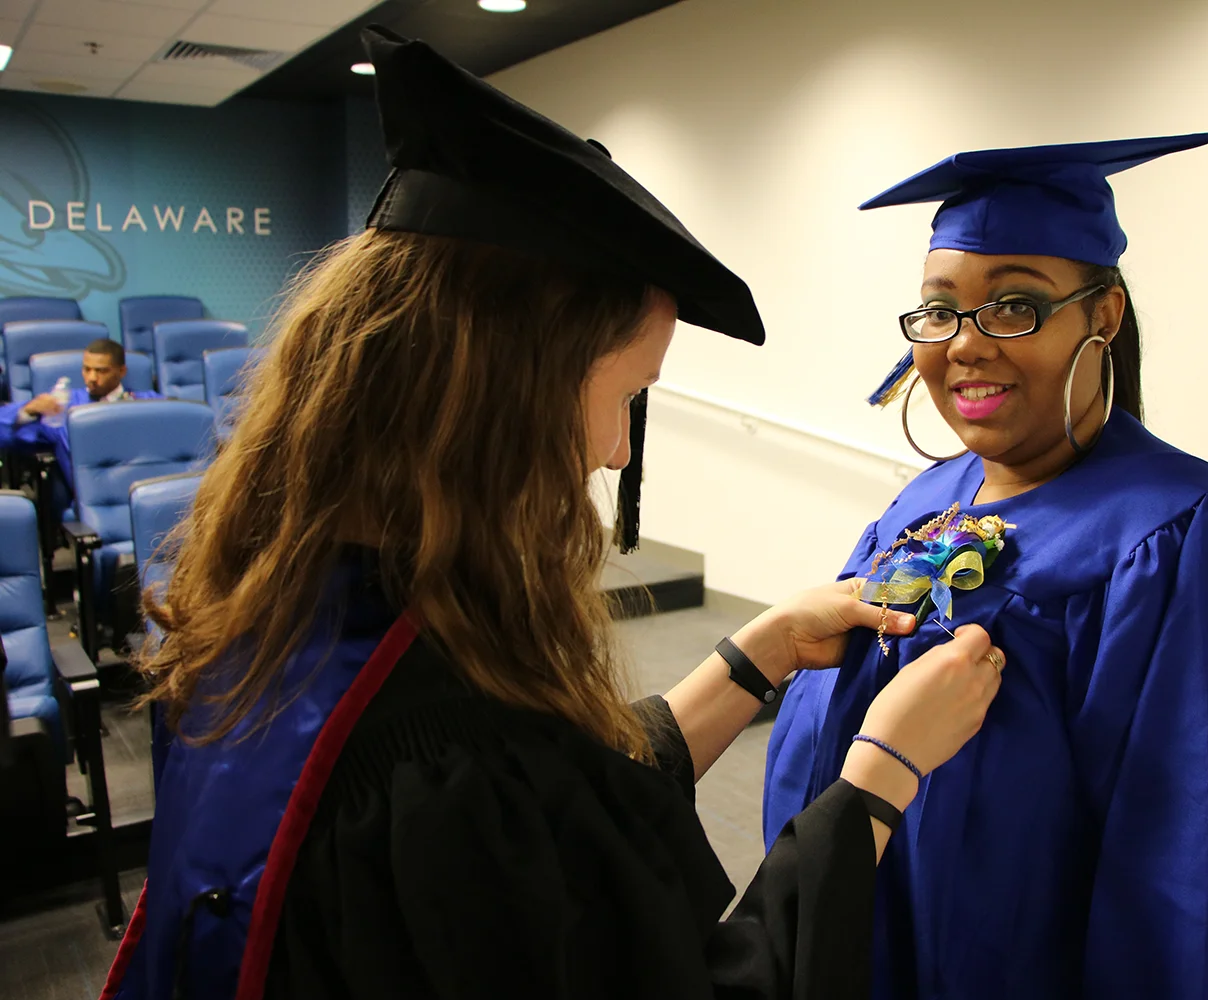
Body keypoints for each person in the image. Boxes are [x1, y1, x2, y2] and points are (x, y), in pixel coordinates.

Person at [98, 28, 1005, 1000]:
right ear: (503, 395)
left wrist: (762, 652)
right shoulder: (448, 767)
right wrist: (881, 774)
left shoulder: (292, 609)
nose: (616, 449)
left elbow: (569, 816)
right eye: (623, 395)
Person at [763, 136, 1208, 999]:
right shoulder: (923, 502)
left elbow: (1200, 875)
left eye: (1015, 305)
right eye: (939, 310)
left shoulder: (1183, 543)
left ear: (1103, 316)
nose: (964, 346)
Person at [0, 337, 161, 503]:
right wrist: (27, 412)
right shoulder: (64, 406)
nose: (92, 377)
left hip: (145, 493)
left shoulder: (148, 403)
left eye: (101, 371)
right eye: (87, 369)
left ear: (121, 372)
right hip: (95, 502)